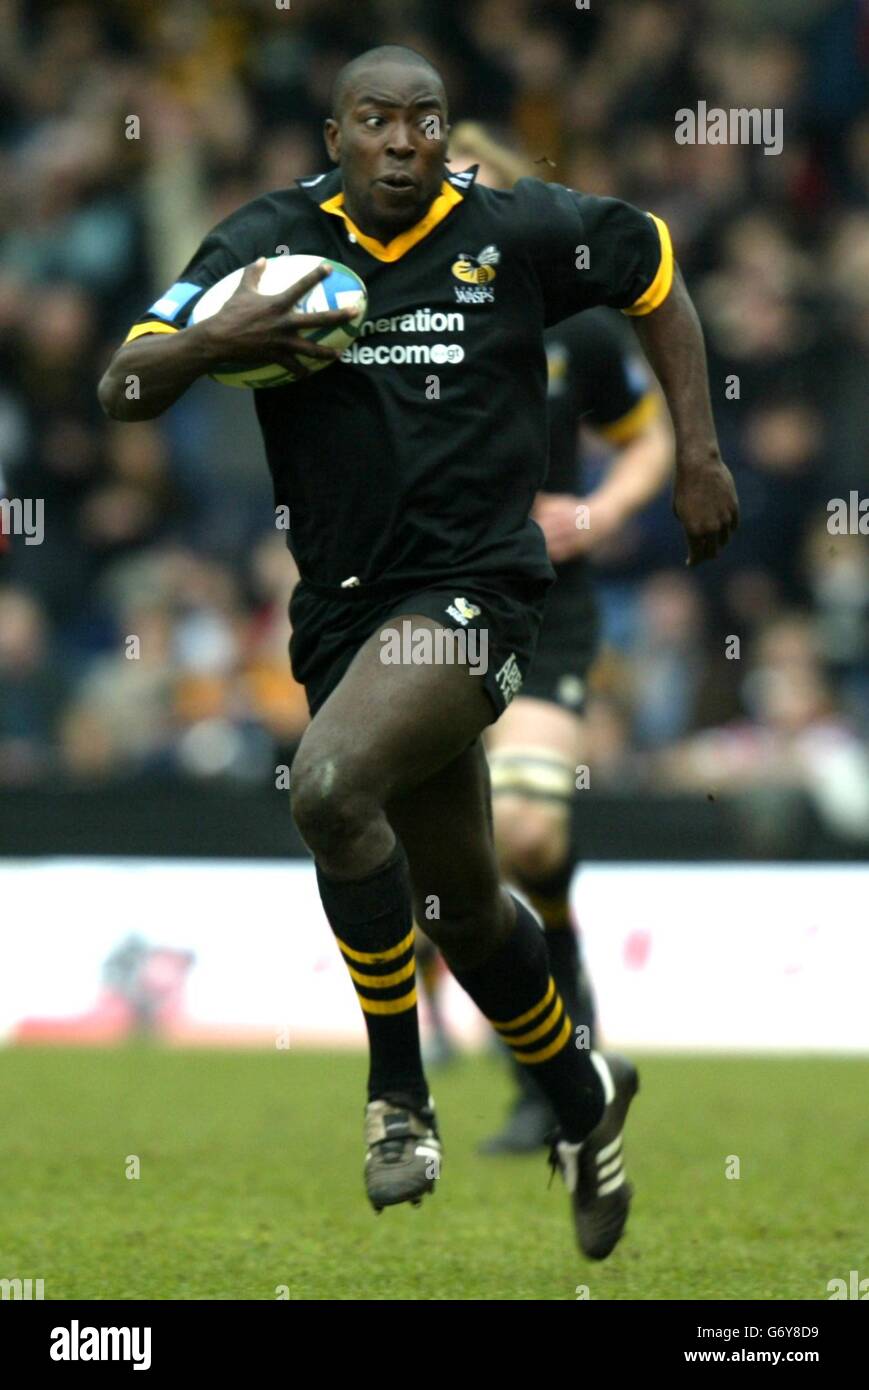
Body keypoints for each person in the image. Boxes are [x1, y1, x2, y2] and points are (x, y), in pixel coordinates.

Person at [99, 45, 739, 1260]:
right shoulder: (268, 241)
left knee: (332, 787)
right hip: (344, 614)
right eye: (377, 121)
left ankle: (398, 1092)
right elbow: (123, 387)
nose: (403, 141)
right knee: (459, 908)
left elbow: (652, 267)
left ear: (448, 135)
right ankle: (583, 1097)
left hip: (480, 594)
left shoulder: (514, 232)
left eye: (425, 121)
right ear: (334, 135)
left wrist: (697, 453)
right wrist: (214, 337)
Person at [415, 124, 675, 1152]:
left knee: (525, 835)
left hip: (541, 601)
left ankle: (559, 1052)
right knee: (455, 857)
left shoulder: (578, 329)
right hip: (425, 601)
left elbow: (646, 435)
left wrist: (605, 512)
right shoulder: (406, 317)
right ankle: (558, 1059)